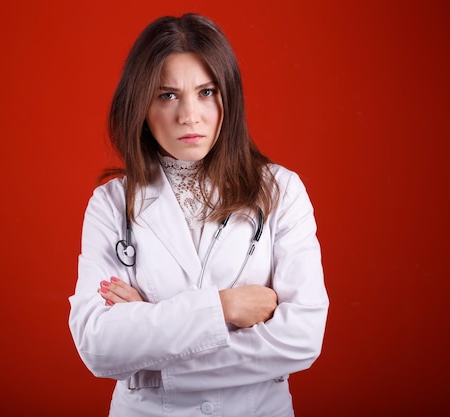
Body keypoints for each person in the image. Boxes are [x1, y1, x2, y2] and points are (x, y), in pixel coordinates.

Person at [68, 13, 329, 417]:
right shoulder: (112, 204)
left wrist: (151, 361)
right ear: (140, 103)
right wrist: (222, 308)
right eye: (167, 95)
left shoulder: (281, 191)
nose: (189, 115)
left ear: (229, 95)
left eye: (206, 92)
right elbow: (98, 347)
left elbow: (302, 339)